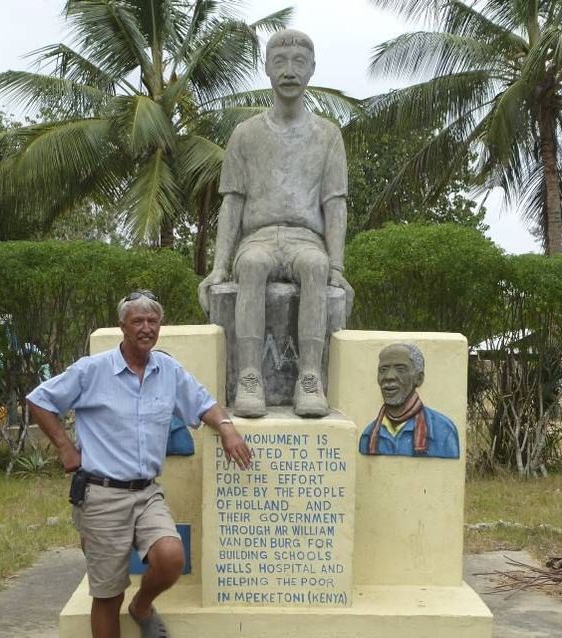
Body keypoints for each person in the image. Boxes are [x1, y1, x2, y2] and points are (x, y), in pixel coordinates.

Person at [27, 291, 251, 638]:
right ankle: (126, 606)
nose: (146, 328)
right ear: (123, 327)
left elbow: (203, 403)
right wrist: (66, 448)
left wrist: (226, 428)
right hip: (101, 495)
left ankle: (142, 605)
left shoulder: (168, 370)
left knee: (171, 557)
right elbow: (39, 401)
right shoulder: (92, 370)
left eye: (153, 321)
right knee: (108, 594)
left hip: (147, 493)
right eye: (138, 321)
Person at [198, 29, 353, 419]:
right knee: (249, 266)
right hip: (259, 238)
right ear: (267, 67)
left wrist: (336, 267)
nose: (289, 71)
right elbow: (232, 203)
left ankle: (310, 379)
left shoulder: (328, 135)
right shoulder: (245, 134)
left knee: (315, 268)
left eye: (299, 62)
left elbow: (335, 207)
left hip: (306, 239)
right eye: (280, 62)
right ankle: (250, 377)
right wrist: (219, 267)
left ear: (312, 69)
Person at [358, 343, 460, 459]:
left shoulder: (443, 431)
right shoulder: (369, 436)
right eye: (383, 369)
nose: (389, 376)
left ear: (419, 378)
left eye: (400, 369)